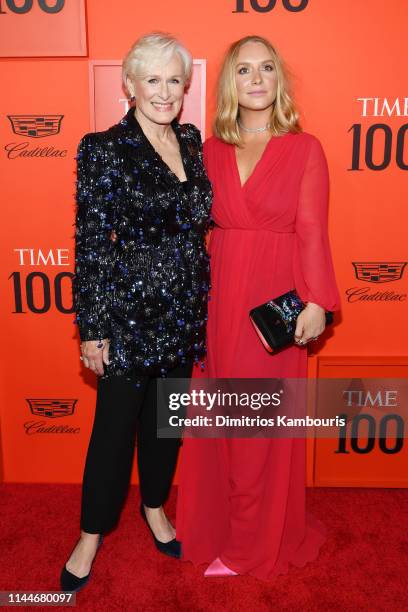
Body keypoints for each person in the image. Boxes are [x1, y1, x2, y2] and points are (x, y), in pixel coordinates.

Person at [176, 35, 341, 580]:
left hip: (273, 301)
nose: (256, 78)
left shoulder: (304, 148)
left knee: (254, 427)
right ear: (229, 82)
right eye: (243, 69)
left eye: (266, 67)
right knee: (217, 419)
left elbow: (313, 229)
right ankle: (217, 527)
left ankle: (249, 547)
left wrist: (317, 301)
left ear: (278, 79)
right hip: (218, 295)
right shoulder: (210, 149)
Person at [60, 32, 212, 592]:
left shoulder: (192, 140)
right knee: (113, 430)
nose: (164, 91)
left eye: (174, 79)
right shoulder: (101, 148)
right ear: (129, 86)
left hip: (185, 308)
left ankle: (154, 507)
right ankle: (90, 534)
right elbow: (92, 242)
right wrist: (93, 328)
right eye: (152, 79)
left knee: (165, 424)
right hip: (127, 312)